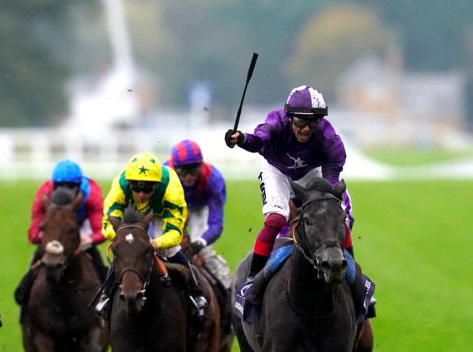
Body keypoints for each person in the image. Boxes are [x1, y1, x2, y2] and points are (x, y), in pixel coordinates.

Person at [224, 84, 374, 321]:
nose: (305, 128)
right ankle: (252, 282)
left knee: (336, 218)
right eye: (300, 121)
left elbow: (332, 179)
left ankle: (357, 286)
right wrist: (240, 139)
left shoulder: (330, 140)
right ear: (289, 117)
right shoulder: (276, 122)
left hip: (312, 173)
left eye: (312, 122)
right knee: (276, 219)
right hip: (276, 171)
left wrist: (327, 201)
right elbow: (257, 141)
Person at [96, 152, 207, 319]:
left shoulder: (171, 188)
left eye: (147, 189)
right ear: (129, 184)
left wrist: (155, 244)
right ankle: (106, 296)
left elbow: (175, 232)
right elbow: (106, 225)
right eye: (137, 188)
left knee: (169, 251)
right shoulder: (120, 185)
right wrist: (127, 240)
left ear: (156, 185)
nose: (141, 194)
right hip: (131, 212)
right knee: (127, 250)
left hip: (162, 212)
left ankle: (195, 293)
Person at [14, 159, 107, 311]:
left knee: (99, 266)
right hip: (54, 229)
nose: (65, 191)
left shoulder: (91, 193)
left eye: (70, 186)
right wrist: (50, 236)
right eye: (60, 186)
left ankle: (106, 299)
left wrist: (90, 239)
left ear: (79, 185)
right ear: (53, 185)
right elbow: (33, 234)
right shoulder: (44, 193)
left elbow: (102, 229)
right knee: (34, 267)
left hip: (81, 228)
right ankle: (25, 308)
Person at [165, 139, 232, 291]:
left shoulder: (213, 179)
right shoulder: (163, 176)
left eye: (194, 170)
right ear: (174, 168)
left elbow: (216, 223)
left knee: (205, 252)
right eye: (183, 171)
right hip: (169, 208)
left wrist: (201, 242)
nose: (188, 176)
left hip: (198, 208)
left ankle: (228, 291)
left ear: (201, 166)